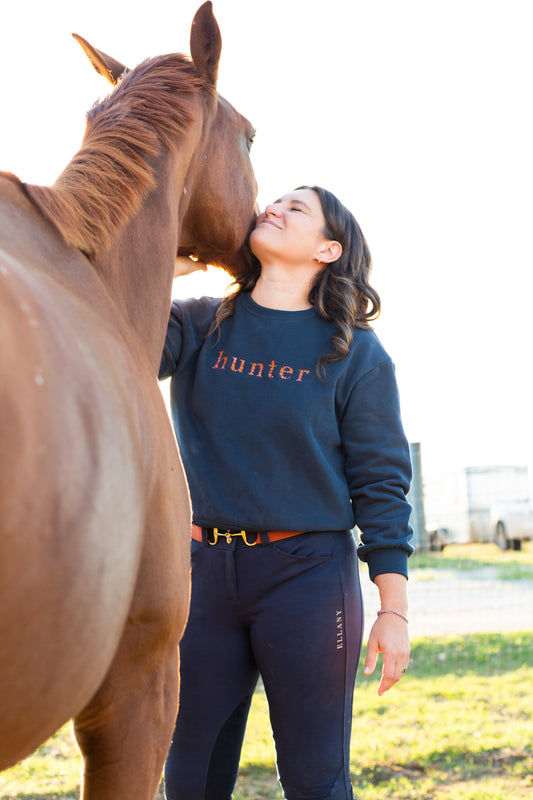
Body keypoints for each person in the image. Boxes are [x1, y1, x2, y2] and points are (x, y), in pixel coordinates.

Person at [159, 185, 413, 800]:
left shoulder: (354, 351)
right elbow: (115, 343)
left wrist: (394, 609)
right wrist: (163, 260)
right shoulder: (197, 322)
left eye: (295, 208)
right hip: (202, 576)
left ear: (329, 249)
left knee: (316, 780)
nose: (272, 207)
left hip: (307, 578)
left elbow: (382, 485)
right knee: (188, 779)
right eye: (274, 200)